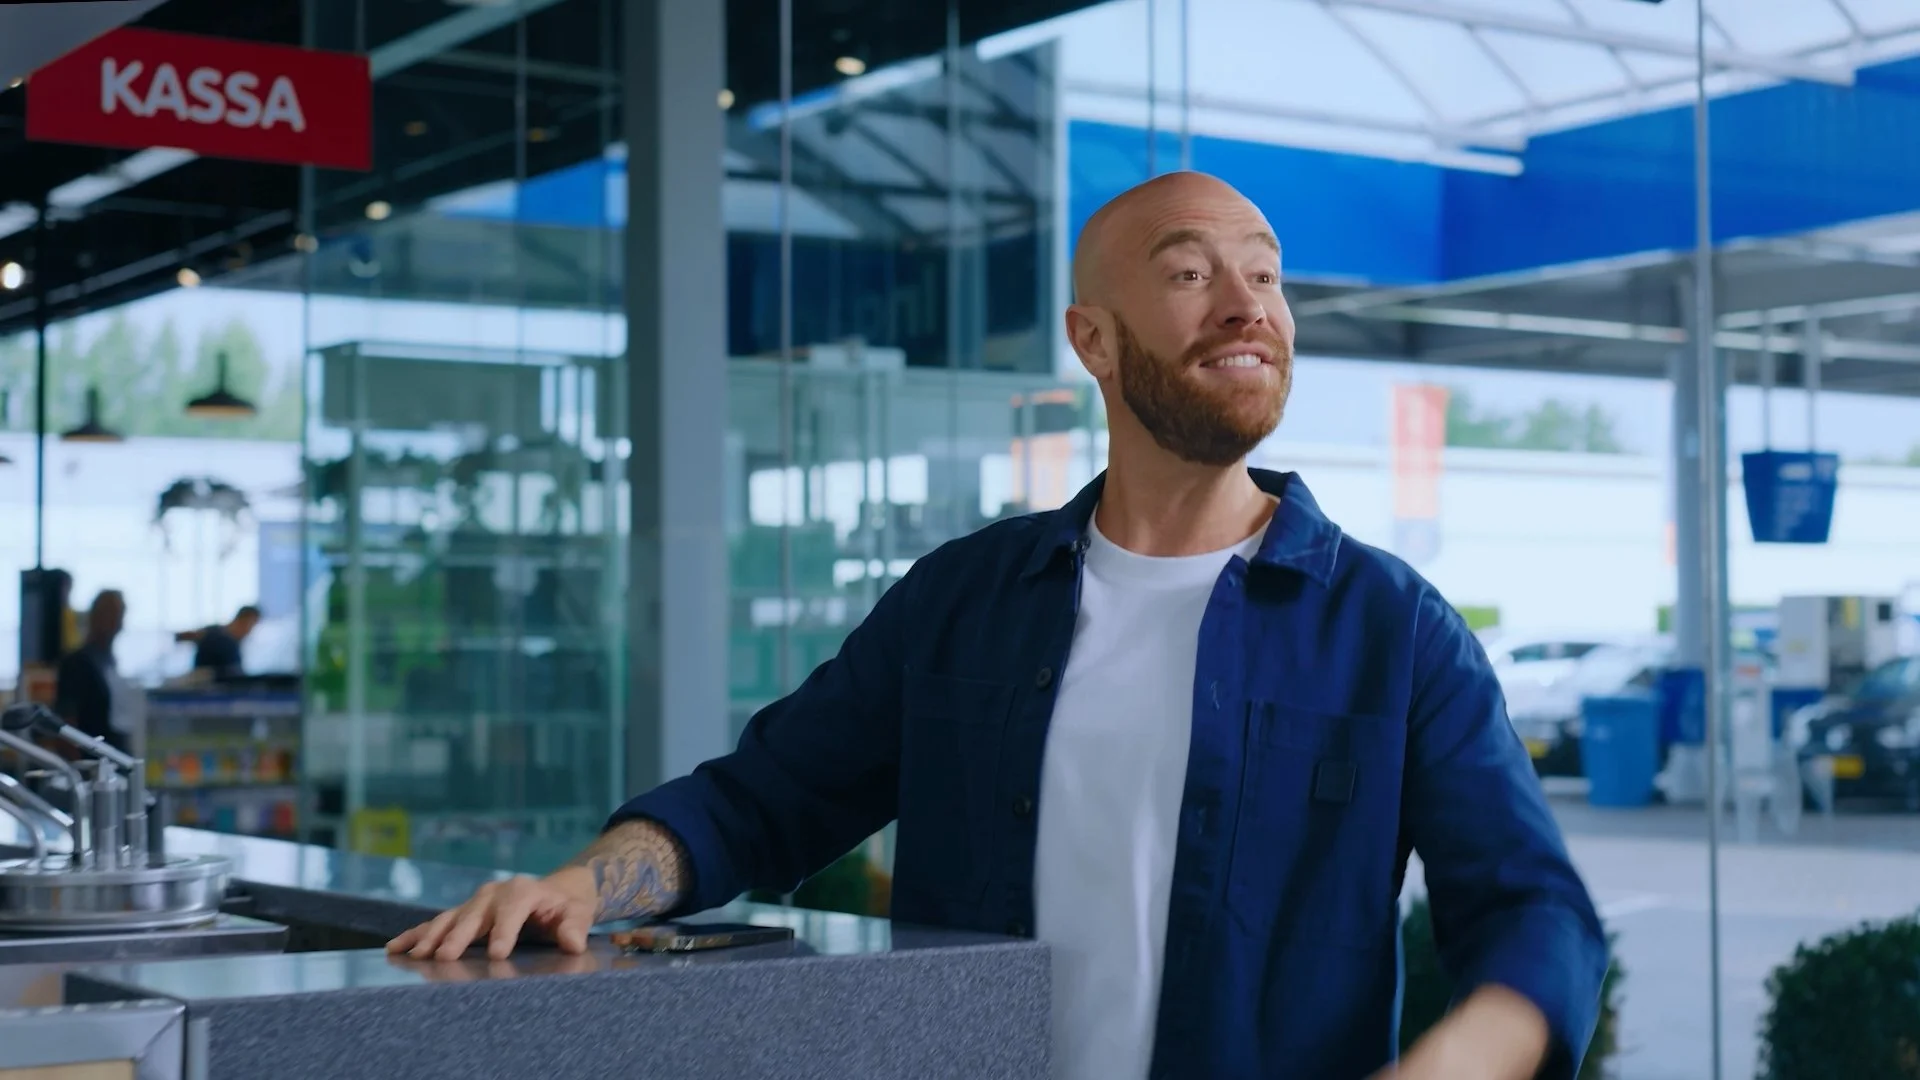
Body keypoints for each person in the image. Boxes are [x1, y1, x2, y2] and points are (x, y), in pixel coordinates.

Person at [391, 172, 1608, 1079]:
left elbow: (1534, 913)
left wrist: (1446, 1067)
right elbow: (760, 802)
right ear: (1093, 339)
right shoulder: (965, 601)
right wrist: (580, 891)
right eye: (1192, 274)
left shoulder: (1394, 629)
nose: (1249, 306)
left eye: (1268, 272)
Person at [54, 589, 141, 755]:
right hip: (93, 759)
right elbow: (67, 722)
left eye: (119, 614)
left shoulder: (110, 662)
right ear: (94, 616)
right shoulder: (77, 663)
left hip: (116, 756)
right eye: (109, 614)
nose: (116, 621)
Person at [180, 605, 260, 678]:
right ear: (243, 620)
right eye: (251, 625)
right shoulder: (214, 634)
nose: (250, 631)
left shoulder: (233, 641)